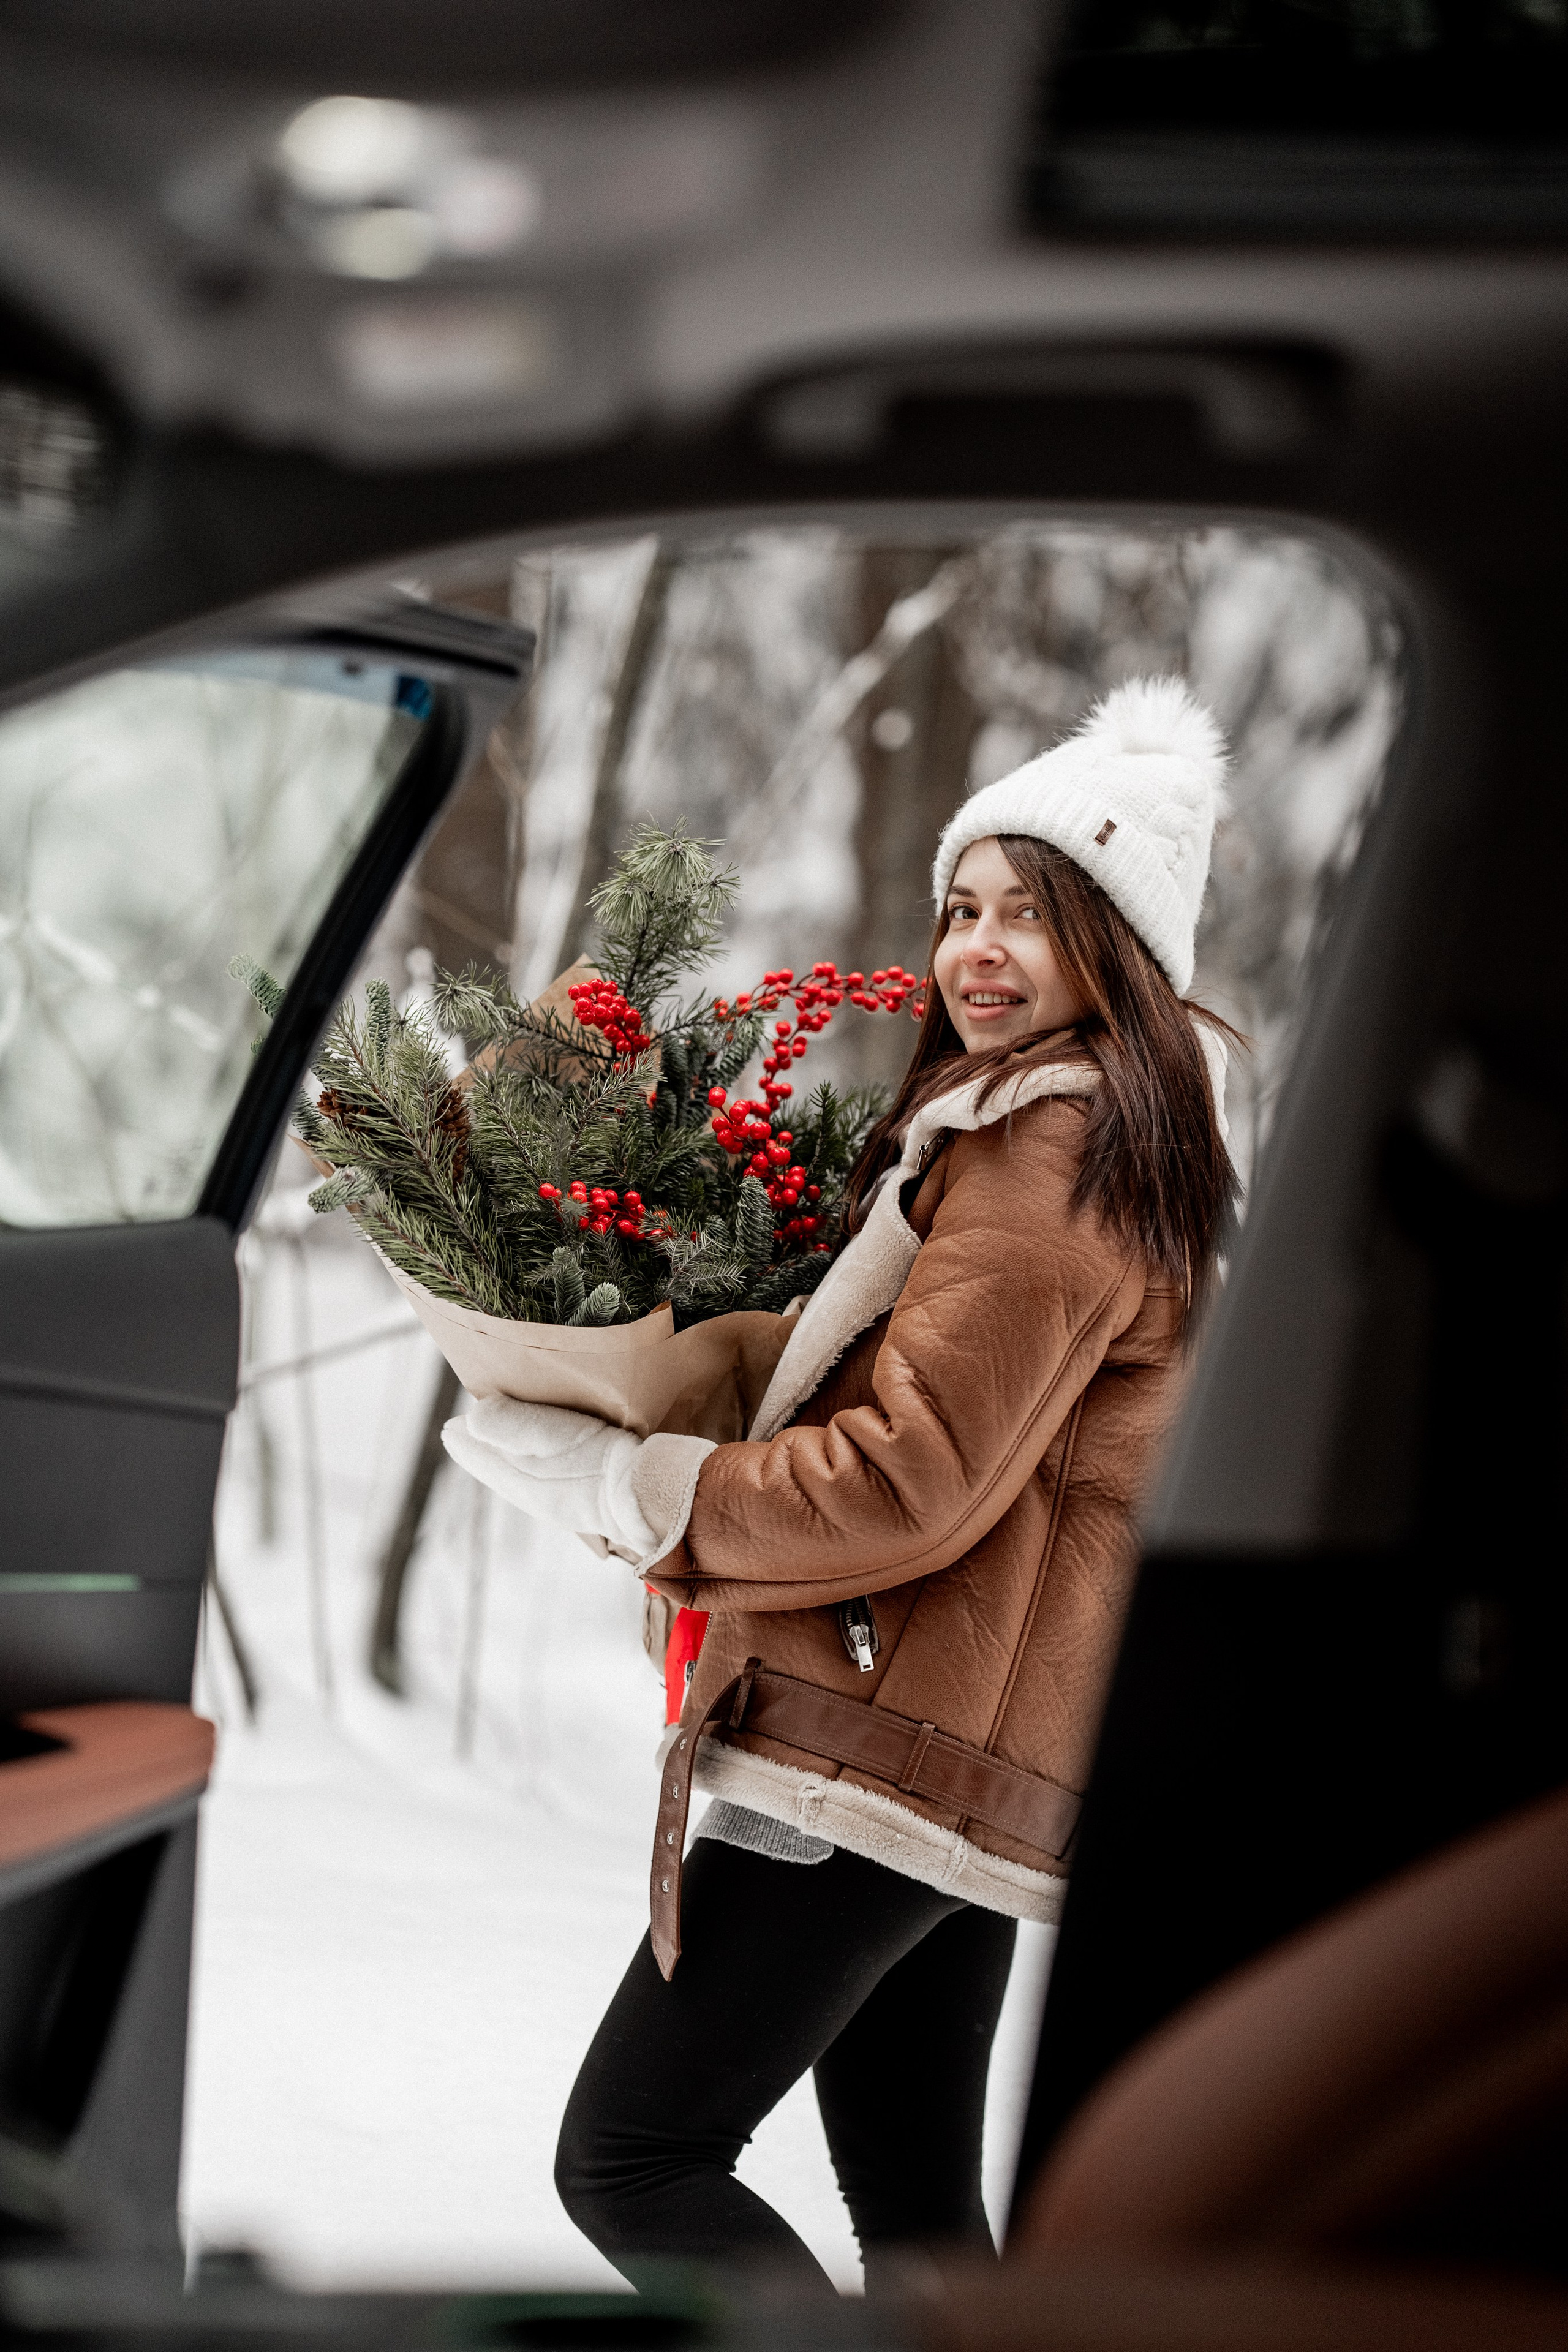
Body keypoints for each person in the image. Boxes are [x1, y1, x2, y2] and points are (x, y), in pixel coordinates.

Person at [445, 675, 1238, 2293]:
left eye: (1037, 913)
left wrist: (628, 1479)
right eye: (961, 908)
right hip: (967, 1749)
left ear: (1123, 951)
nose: (978, 951)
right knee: (929, 2232)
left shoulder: (1049, 1142)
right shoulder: (1109, 1139)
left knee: (636, 2161)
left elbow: (909, 1486)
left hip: (879, 1750)